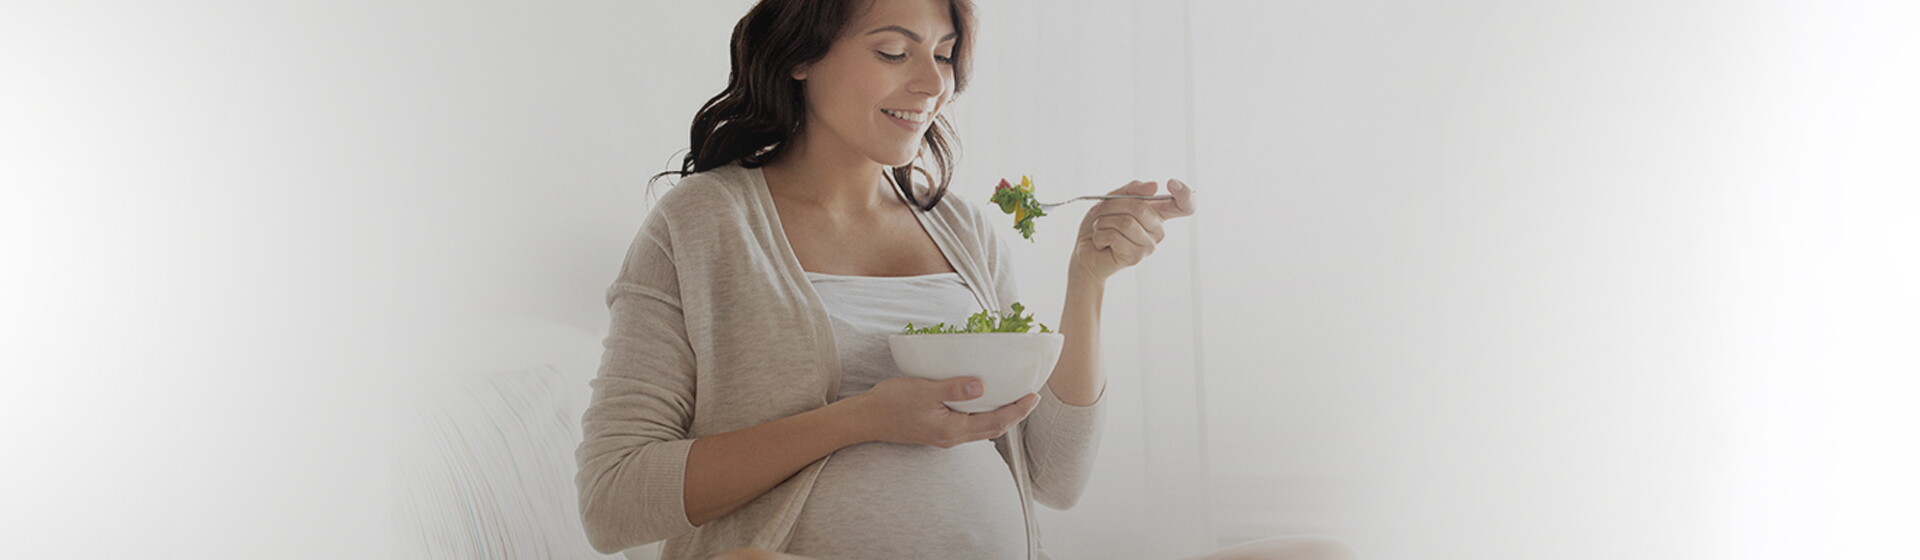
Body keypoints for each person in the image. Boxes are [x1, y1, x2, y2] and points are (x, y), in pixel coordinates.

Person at [576, 0, 1347, 558]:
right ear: (800, 54)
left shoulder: (963, 229)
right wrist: (861, 419)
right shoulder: (700, 225)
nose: (931, 83)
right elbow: (612, 502)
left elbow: (1054, 474)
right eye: (893, 51)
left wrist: (1088, 279)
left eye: (943, 54)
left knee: (1320, 554)